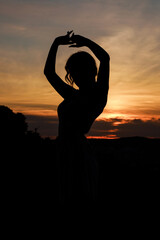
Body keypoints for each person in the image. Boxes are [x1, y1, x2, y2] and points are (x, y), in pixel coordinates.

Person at [44, 31, 110, 206]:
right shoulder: (72, 94)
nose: (74, 76)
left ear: (91, 71)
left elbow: (105, 58)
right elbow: (49, 72)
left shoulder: (98, 94)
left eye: (78, 71)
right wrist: (56, 42)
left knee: (78, 200)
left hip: (77, 154)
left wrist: (86, 42)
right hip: (64, 151)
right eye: (72, 72)